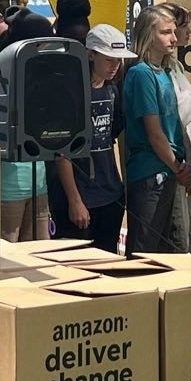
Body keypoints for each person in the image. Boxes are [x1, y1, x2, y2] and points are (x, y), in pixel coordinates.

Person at [0, 13, 57, 241]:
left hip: (39, 186)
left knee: (41, 260)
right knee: (7, 261)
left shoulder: (44, 82)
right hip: (6, 191)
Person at [51, 24, 131, 252]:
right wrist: (75, 200)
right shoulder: (70, 93)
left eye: (118, 60)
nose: (114, 66)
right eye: (109, 59)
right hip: (81, 195)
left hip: (110, 193)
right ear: (90, 54)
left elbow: (111, 136)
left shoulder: (113, 91)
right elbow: (62, 151)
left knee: (109, 260)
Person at [122, 5, 191, 252]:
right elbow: (154, 133)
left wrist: (183, 167)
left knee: (174, 249)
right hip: (150, 174)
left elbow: (175, 125)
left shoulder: (164, 72)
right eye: (166, 32)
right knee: (145, 250)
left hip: (170, 171)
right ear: (148, 35)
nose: (174, 38)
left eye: (174, 31)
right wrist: (178, 167)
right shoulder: (140, 74)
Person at [155, 2, 191, 248]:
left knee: (190, 233)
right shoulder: (152, 72)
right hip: (171, 166)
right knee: (177, 237)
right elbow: (172, 119)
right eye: (182, 26)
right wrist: (179, 167)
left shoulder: (176, 66)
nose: (185, 32)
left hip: (186, 161)